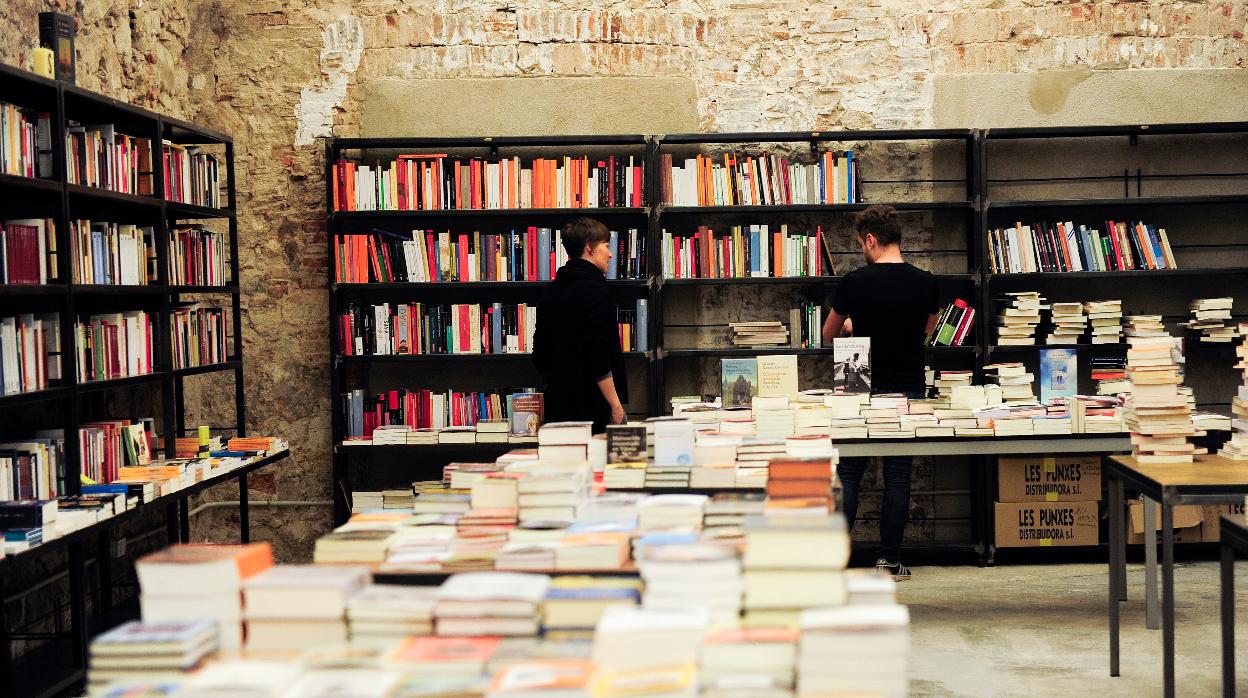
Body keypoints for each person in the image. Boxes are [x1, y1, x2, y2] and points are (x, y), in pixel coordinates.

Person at [821, 204, 940, 581]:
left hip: (858, 386)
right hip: (907, 387)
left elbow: (828, 335)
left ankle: (836, 560)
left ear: (870, 240)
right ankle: (888, 559)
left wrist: (854, 325)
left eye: (861, 243)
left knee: (851, 472)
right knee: (898, 475)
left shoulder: (854, 283)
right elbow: (927, 328)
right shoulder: (925, 282)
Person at [533, 217, 628, 434]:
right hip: (592, 407)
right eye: (606, 246)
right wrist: (615, 404)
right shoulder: (595, 291)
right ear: (589, 248)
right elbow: (598, 355)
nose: (611, 254)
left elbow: (539, 357)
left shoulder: (550, 292)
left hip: (557, 406)